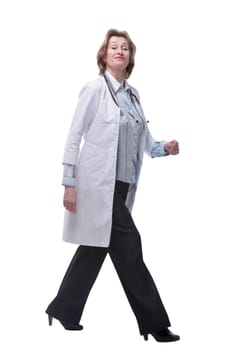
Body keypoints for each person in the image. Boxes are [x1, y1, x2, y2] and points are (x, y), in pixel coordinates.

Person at [46, 28, 180, 343]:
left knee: (94, 249)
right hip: (95, 185)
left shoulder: (134, 97)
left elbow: (144, 142)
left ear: (130, 57)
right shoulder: (94, 89)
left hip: (121, 187)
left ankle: (63, 309)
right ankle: (155, 323)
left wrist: (165, 148)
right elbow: (73, 135)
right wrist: (69, 182)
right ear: (104, 55)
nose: (119, 51)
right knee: (130, 248)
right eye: (113, 47)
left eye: (125, 48)